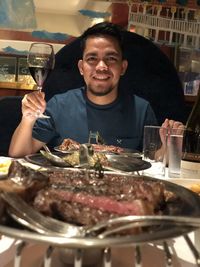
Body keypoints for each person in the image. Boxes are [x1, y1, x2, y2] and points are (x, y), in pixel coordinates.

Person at [9, 22, 183, 158]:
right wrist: (27, 118)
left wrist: (170, 146)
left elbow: (153, 164)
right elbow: (18, 154)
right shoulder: (58, 104)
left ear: (122, 67)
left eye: (111, 58)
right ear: (81, 67)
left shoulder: (142, 109)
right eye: (92, 58)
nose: (101, 66)